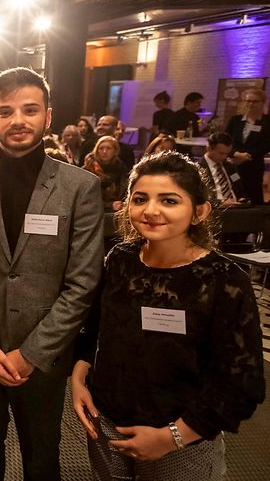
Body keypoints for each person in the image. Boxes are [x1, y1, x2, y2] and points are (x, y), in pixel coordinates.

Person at [71, 151, 264, 480]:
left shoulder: (224, 279)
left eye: (169, 201)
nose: (151, 210)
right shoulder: (121, 258)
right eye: (140, 198)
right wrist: (78, 376)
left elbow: (241, 383)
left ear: (199, 212)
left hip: (181, 440)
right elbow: (100, 325)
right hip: (106, 423)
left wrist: (172, 437)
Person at [0, 67, 104, 481]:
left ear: (48, 116)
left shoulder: (81, 188)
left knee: (42, 458)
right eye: (5, 111)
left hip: (46, 356)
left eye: (29, 109)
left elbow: (83, 282)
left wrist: (32, 353)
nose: (17, 120)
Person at [225, 88, 270, 205]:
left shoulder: (267, 122)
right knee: (234, 193)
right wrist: (235, 154)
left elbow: (267, 145)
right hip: (233, 164)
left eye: (255, 101)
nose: (251, 104)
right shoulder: (235, 120)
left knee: (253, 195)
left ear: (262, 102)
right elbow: (225, 141)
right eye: (248, 101)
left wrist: (246, 156)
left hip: (254, 165)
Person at [199, 132, 245, 206]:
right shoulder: (197, 168)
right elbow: (198, 196)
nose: (224, 157)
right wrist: (220, 203)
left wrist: (242, 199)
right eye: (221, 153)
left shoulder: (230, 166)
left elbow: (238, 187)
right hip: (215, 209)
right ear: (209, 148)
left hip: (236, 207)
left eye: (227, 154)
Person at [84, 136, 128, 212]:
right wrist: (109, 205)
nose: (104, 151)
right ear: (96, 150)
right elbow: (85, 198)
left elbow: (123, 190)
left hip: (115, 211)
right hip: (92, 212)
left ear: (115, 151)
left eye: (108, 148)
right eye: (101, 148)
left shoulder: (121, 168)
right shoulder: (88, 169)